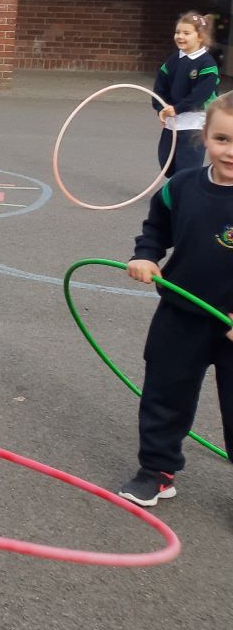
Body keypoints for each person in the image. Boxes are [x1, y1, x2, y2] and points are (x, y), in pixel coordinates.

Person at [117, 88, 233, 507]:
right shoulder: (182, 186)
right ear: (204, 137)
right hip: (181, 313)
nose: (230, 151)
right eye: (222, 139)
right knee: (165, 394)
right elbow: (156, 228)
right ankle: (157, 470)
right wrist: (145, 256)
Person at [151, 11, 218, 177]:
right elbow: (160, 87)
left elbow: (201, 94)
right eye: (177, 32)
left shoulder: (206, 64)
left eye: (186, 33)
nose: (180, 36)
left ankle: (185, 198)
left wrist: (177, 108)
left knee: (187, 168)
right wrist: (161, 107)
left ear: (200, 37)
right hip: (172, 122)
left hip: (194, 123)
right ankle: (178, 191)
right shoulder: (173, 60)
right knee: (167, 165)